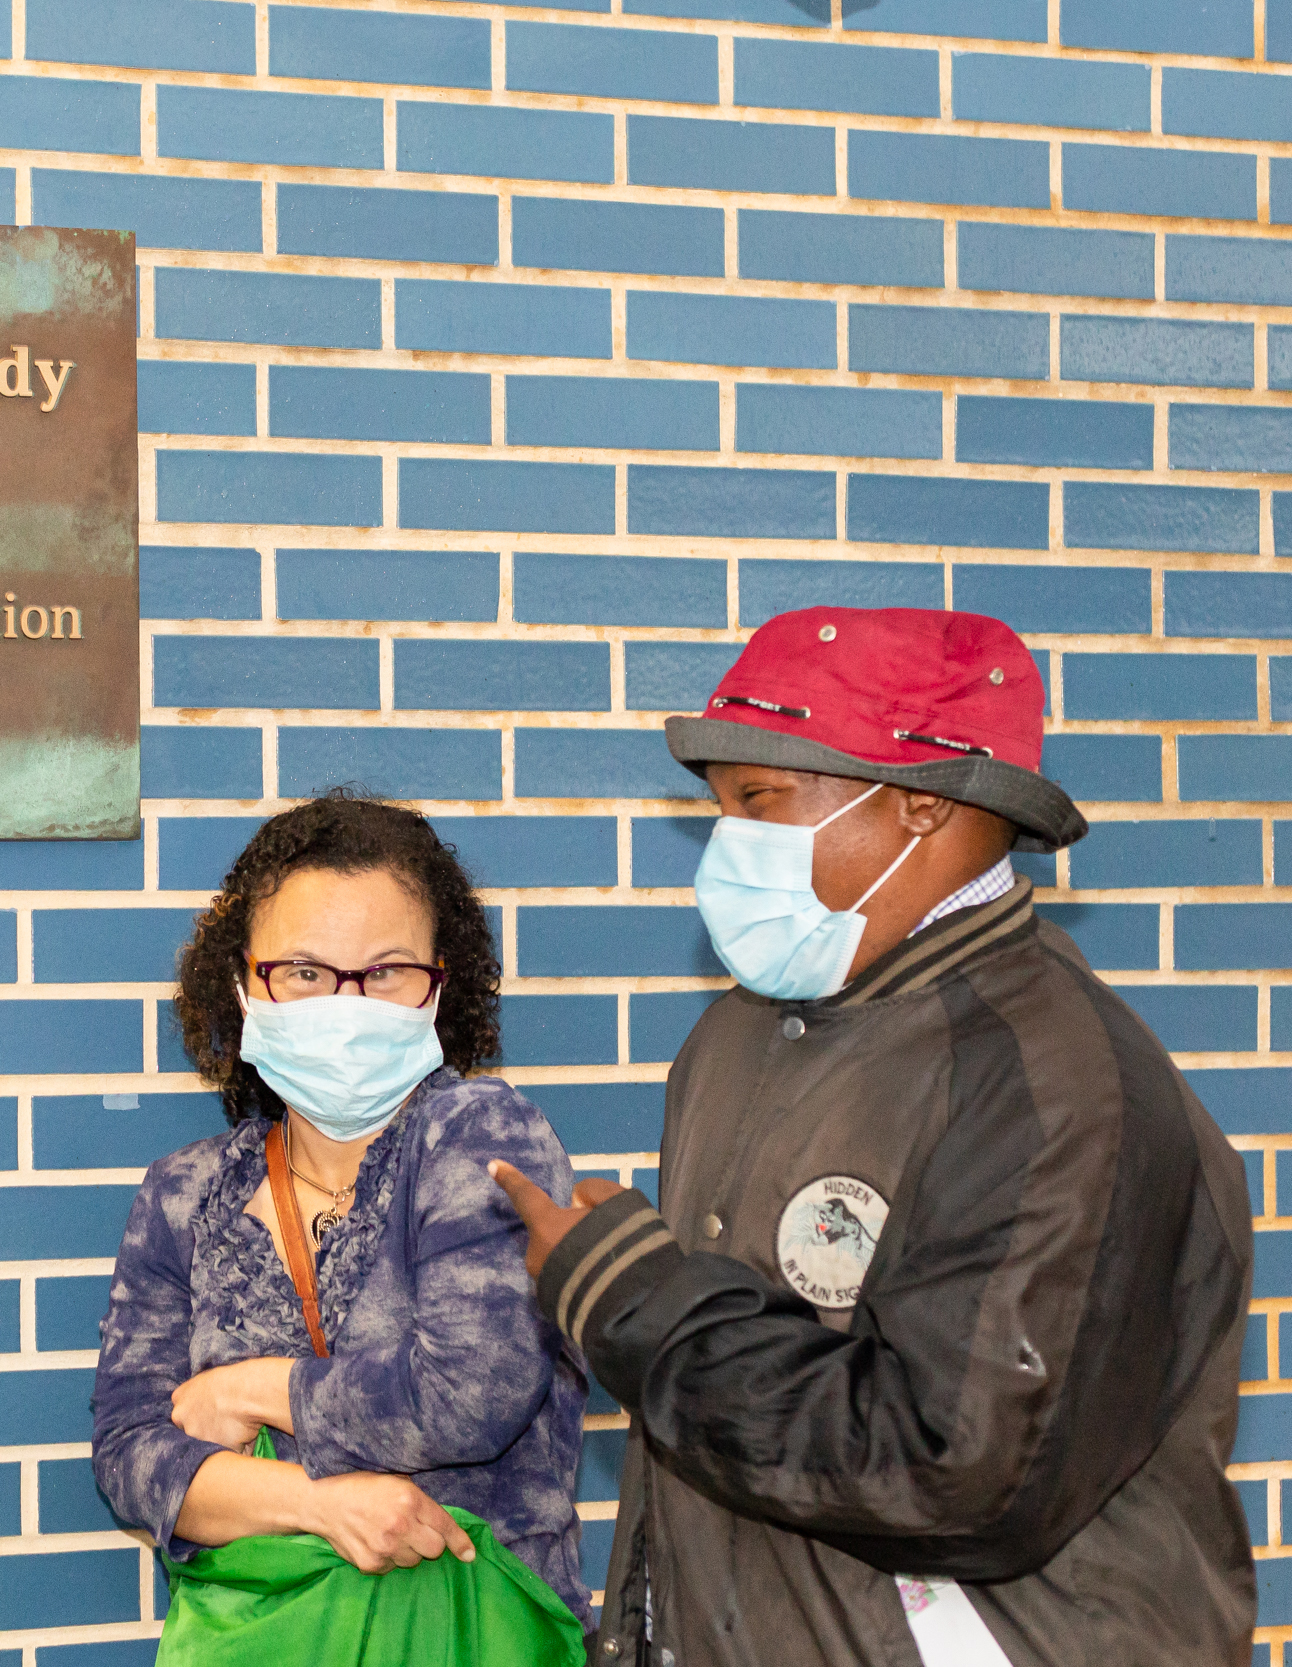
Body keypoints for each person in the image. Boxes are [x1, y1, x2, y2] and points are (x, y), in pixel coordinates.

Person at [490, 607, 1255, 1666]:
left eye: (759, 802)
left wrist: (638, 1308)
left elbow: (958, 1470)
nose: (728, 846)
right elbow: (711, 1459)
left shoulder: (1058, 1086)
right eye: (719, 809)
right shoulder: (734, 1033)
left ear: (918, 807)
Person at [92, 793, 593, 1638]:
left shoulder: (483, 1139)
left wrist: (250, 1388)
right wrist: (322, 1504)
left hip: (471, 1635)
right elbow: (132, 1451)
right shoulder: (183, 1193)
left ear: (441, 983)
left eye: (387, 970)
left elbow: (471, 1392)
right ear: (244, 983)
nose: (346, 1002)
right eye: (305, 972)